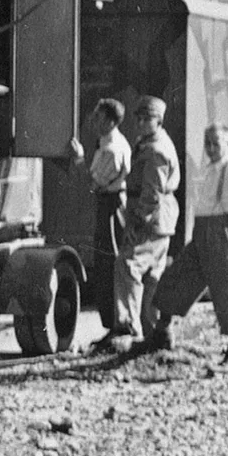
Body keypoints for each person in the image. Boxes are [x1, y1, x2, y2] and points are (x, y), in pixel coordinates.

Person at [146, 124, 228, 364]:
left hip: (222, 233)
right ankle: (163, 331)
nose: (210, 148)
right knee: (178, 276)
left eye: (215, 144)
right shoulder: (212, 167)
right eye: (207, 143)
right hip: (203, 231)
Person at [93, 96, 180, 353]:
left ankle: (128, 326)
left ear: (159, 121)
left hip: (151, 220)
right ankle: (155, 333)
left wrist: (137, 223)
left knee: (127, 264)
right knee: (152, 274)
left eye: (147, 119)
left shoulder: (155, 151)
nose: (141, 123)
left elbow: (151, 194)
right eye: (138, 118)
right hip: (160, 220)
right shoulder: (152, 143)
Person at [86, 98, 131, 334]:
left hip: (110, 206)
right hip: (110, 203)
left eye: (99, 117)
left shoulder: (112, 150)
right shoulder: (106, 143)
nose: (94, 121)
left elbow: (95, 183)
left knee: (108, 262)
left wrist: (77, 160)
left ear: (111, 121)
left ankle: (116, 323)